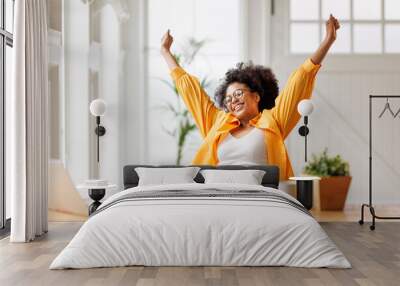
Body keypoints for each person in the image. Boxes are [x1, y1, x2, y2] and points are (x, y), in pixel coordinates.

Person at [161, 15, 340, 181]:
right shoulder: (217, 122)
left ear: (256, 96)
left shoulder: (274, 121)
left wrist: (328, 41)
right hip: (218, 193)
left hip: (259, 195)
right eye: (228, 99)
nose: (233, 101)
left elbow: (300, 79)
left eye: (238, 93)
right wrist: (166, 53)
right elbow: (190, 91)